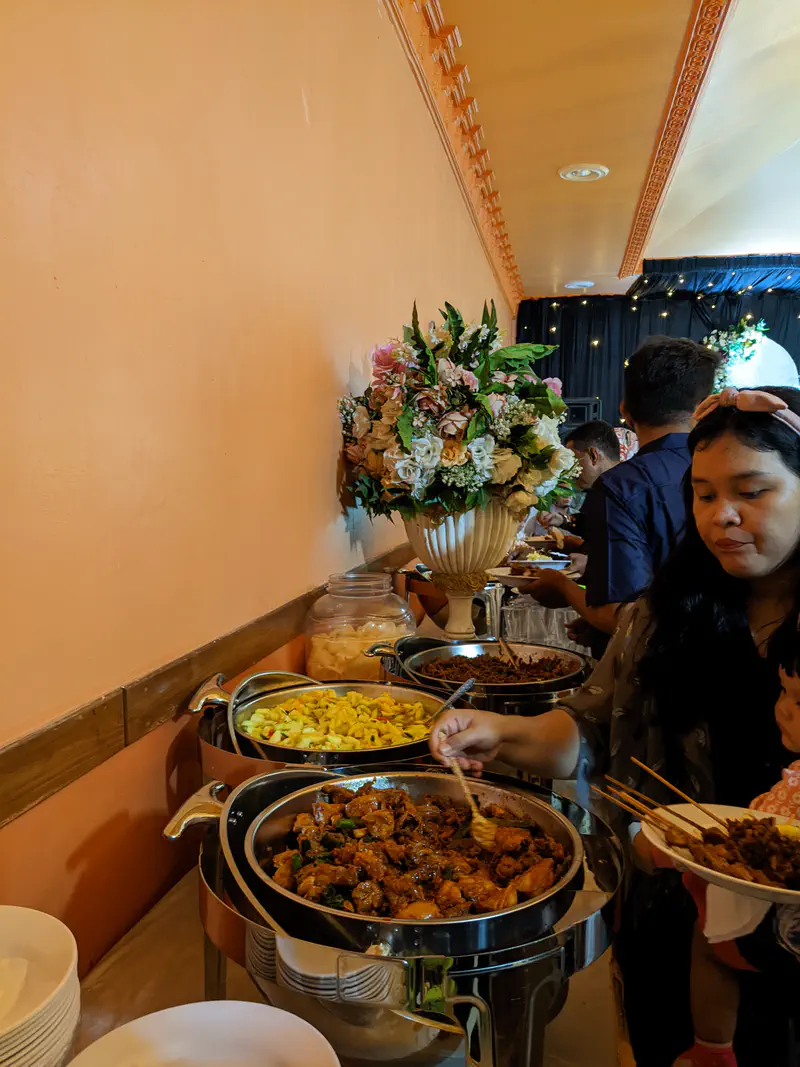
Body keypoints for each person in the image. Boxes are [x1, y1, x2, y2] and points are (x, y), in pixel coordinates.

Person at [430, 386, 800, 1067]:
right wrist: (497, 731)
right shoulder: (665, 614)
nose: (724, 517)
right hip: (669, 918)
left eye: (753, 491)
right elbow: (590, 729)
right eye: (704, 493)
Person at [526, 337, 719, 638]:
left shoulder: (622, 486)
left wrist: (561, 586)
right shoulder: (725, 470)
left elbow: (622, 618)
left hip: (656, 671)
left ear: (625, 409)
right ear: (703, 406)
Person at [675, 649, 800, 1067]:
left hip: (783, 931)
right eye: (783, 691)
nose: (781, 708)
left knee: (710, 936)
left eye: (798, 700)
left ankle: (713, 1050)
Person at [539, 419, 621, 541]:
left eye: (573, 463)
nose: (569, 473)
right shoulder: (600, 488)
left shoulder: (627, 491)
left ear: (594, 456)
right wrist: (563, 520)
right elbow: (592, 526)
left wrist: (588, 557)